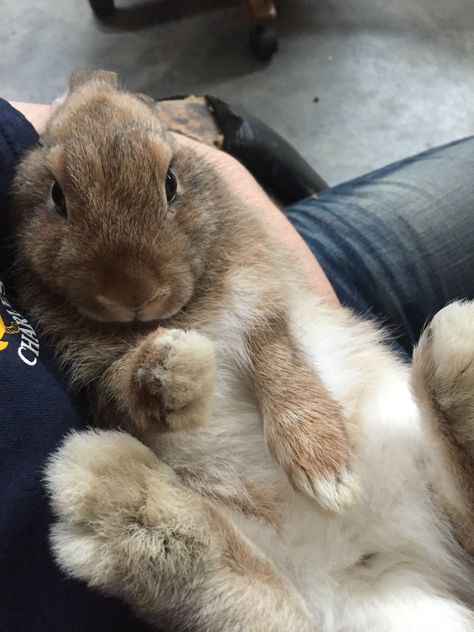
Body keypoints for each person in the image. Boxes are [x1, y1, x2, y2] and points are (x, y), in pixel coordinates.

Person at [1, 98, 473, 631]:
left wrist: (286, 328)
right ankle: (217, 583)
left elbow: (77, 118)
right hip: (262, 546)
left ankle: (453, 479)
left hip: (355, 394)